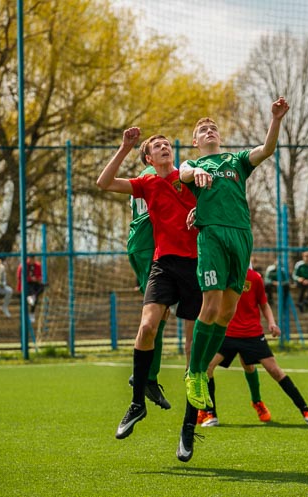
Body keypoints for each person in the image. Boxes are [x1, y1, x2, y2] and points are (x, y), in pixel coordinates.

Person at [178, 96, 289, 462]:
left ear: (219, 137)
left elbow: (268, 149)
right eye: (201, 130)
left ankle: (198, 370)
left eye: (212, 128)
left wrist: (275, 119)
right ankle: (195, 374)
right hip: (212, 235)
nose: (208, 131)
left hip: (241, 236)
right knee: (209, 305)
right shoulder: (193, 163)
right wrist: (197, 174)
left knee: (225, 313)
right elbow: (181, 173)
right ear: (195, 141)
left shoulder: (235, 161)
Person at [96, 128, 202, 441]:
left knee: (191, 346)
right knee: (147, 327)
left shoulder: (191, 177)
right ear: (148, 158)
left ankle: (189, 425)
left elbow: (220, 203)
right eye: (157, 146)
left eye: (167, 144)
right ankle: (137, 403)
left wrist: (203, 210)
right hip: (163, 264)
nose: (164, 147)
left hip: (196, 265)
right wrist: (124, 146)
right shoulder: (147, 182)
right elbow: (103, 183)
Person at [197, 265, 308, 428]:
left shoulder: (255, 278)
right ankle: (210, 414)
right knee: (207, 368)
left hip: (252, 335)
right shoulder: (222, 275)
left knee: (275, 371)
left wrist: (272, 323)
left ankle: (306, 411)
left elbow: (264, 303)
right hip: (227, 333)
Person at [125, 163, 172, 411]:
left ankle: (149, 376)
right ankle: (146, 378)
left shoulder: (143, 178)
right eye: (157, 146)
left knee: (162, 313)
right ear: (148, 156)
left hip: (146, 243)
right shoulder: (152, 175)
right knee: (155, 315)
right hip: (147, 244)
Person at [16, 255, 45, 323]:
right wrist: (30, 279)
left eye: (33, 259)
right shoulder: (23, 266)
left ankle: (32, 298)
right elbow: (19, 276)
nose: (32, 260)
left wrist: (37, 279)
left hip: (35, 283)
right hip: (26, 284)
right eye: (31, 259)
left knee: (42, 288)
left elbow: (40, 275)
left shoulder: (37, 265)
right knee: (33, 293)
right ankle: (31, 312)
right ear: (28, 259)